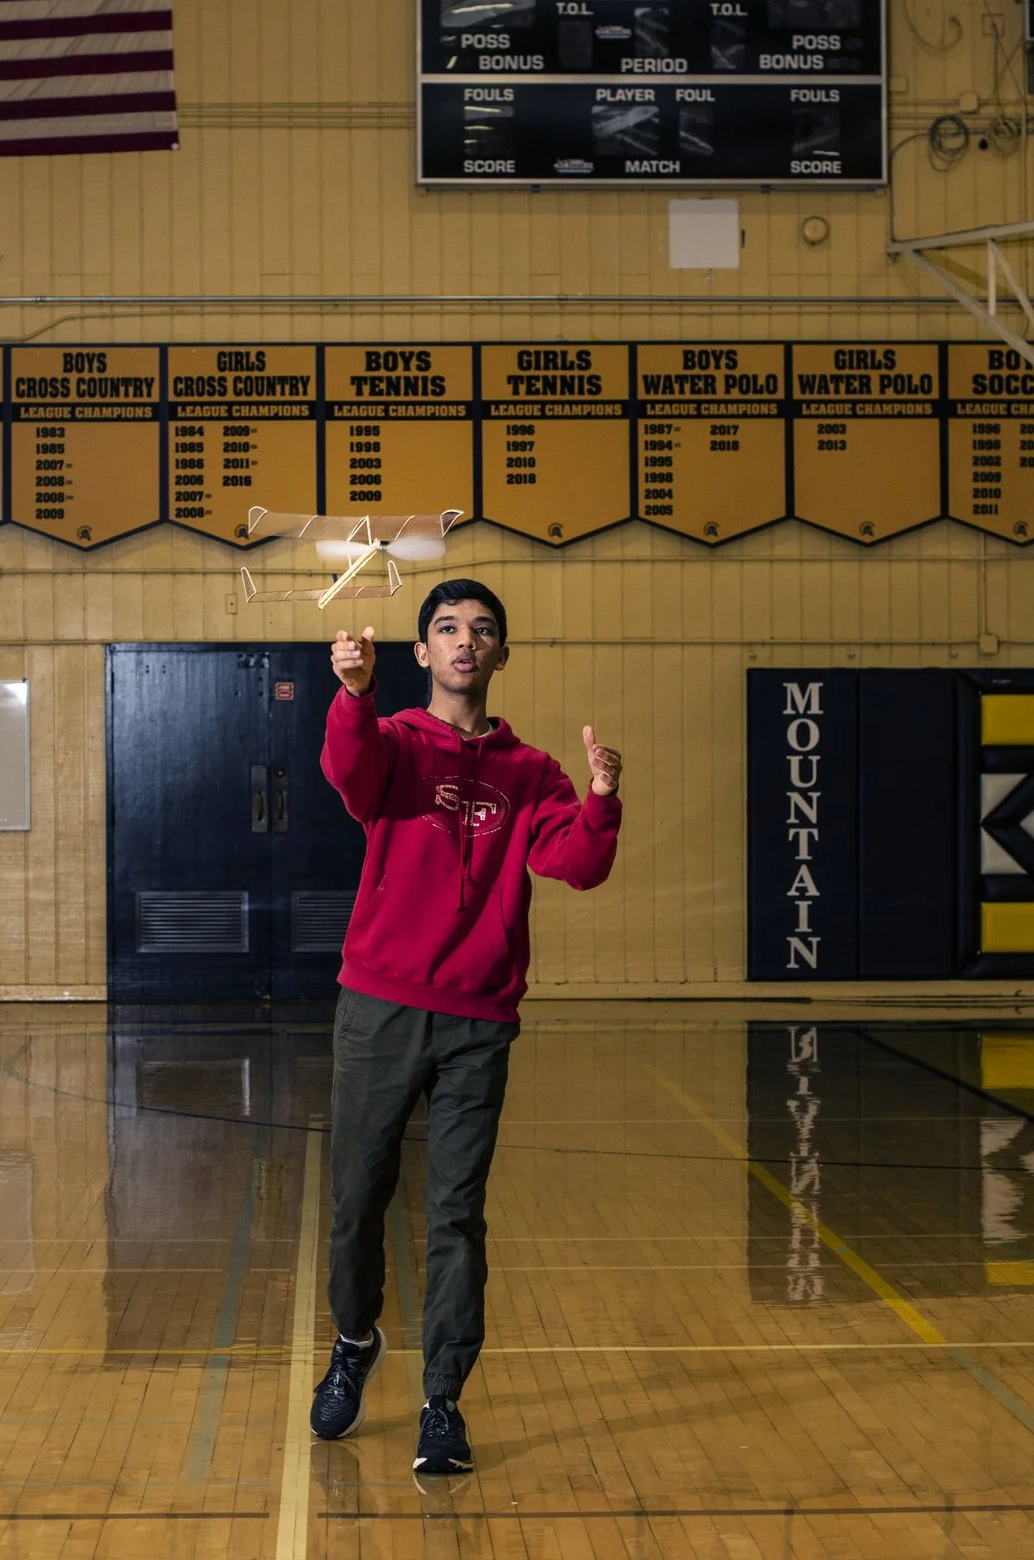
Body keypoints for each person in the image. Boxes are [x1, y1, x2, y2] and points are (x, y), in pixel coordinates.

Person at [308, 578, 624, 1475]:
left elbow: (576, 862)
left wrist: (599, 798)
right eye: (447, 628)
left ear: (500, 654)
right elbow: (350, 771)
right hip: (380, 1005)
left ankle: (442, 1400)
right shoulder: (396, 744)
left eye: (482, 631)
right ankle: (354, 1340)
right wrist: (354, 692)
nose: (465, 642)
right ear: (422, 652)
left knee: (455, 1213)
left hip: (478, 1019)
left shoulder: (532, 773)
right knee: (358, 1198)